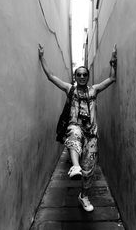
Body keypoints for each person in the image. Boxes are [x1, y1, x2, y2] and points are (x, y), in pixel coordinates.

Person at [38, 45, 117, 212]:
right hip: (76, 126)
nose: (82, 76)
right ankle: (75, 166)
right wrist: (42, 57)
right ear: (75, 76)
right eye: (79, 74)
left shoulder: (94, 90)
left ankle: (84, 195)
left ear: (88, 77)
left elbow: (111, 79)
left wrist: (113, 61)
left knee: (89, 169)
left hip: (91, 134)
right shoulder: (70, 89)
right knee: (74, 135)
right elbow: (51, 76)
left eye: (84, 74)